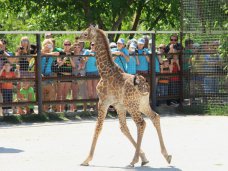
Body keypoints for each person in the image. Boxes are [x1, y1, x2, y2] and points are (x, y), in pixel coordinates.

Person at [41, 39, 58, 112]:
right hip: (41, 74)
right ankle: (43, 110)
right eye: (46, 44)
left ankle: (46, 107)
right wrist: (47, 52)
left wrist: (50, 52)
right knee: (42, 93)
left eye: (49, 44)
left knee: (51, 91)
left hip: (49, 74)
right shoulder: (40, 52)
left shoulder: (53, 53)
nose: (48, 46)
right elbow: (40, 54)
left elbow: (57, 54)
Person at [56, 40, 73, 112]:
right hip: (61, 75)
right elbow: (59, 64)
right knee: (59, 94)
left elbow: (74, 65)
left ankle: (62, 111)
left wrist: (70, 57)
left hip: (69, 76)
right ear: (63, 45)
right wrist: (65, 58)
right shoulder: (60, 53)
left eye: (68, 44)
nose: (67, 46)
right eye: (65, 44)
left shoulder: (72, 53)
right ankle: (58, 110)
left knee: (65, 94)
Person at [70, 42, 87, 112]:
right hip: (74, 76)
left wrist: (82, 63)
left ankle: (85, 109)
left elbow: (83, 65)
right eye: (75, 47)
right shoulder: (71, 56)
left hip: (82, 75)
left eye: (78, 47)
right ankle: (74, 108)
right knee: (74, 93)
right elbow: (73, 66)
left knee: (83, 93)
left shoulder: (83, 55)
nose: (77, 48)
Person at [84, 42, 99, 111]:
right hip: (88, 72)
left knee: (95, 89)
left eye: (95, 44)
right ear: (90, 45)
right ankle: (91, 106)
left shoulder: (98, 52)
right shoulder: (87, 51)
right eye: (92, 44)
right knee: (89, 90)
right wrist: (89, 56)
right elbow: (83, 61)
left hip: (96, 72)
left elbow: (98, 63)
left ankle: (96, 106)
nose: (94, 46)